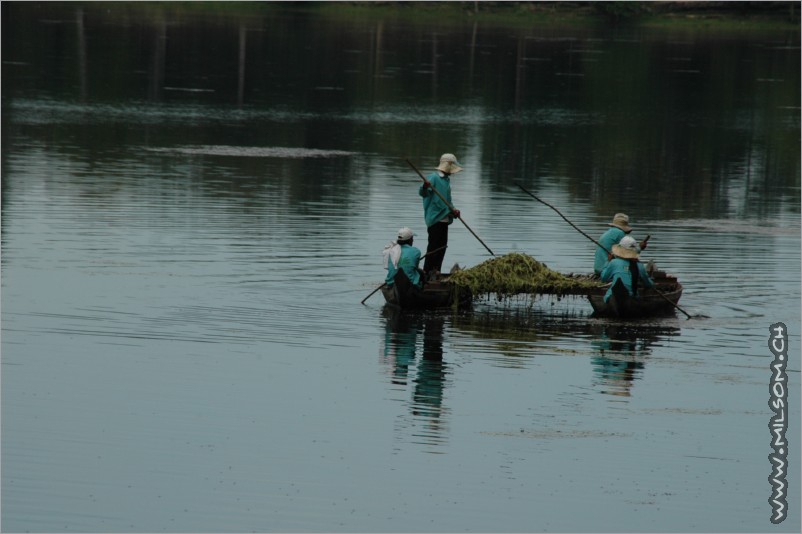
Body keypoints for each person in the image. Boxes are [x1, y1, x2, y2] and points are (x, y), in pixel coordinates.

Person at [419, 153, 462, 279]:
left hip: (444, 219)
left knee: (442, 247)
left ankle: (436, 271)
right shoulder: (433, 178)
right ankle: (427, 273)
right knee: (433, 247)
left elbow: (448, 201)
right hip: (435, 219)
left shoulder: (447, 180)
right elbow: (423, 193)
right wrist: (425, 186)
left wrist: (454, 210)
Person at [599, 235, 655, 303]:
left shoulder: (614, 263)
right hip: (632, 298)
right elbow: (648, 284)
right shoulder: (640, 266)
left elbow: (603, 278)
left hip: (612, 296)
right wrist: (652, 281)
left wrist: (608, 262)